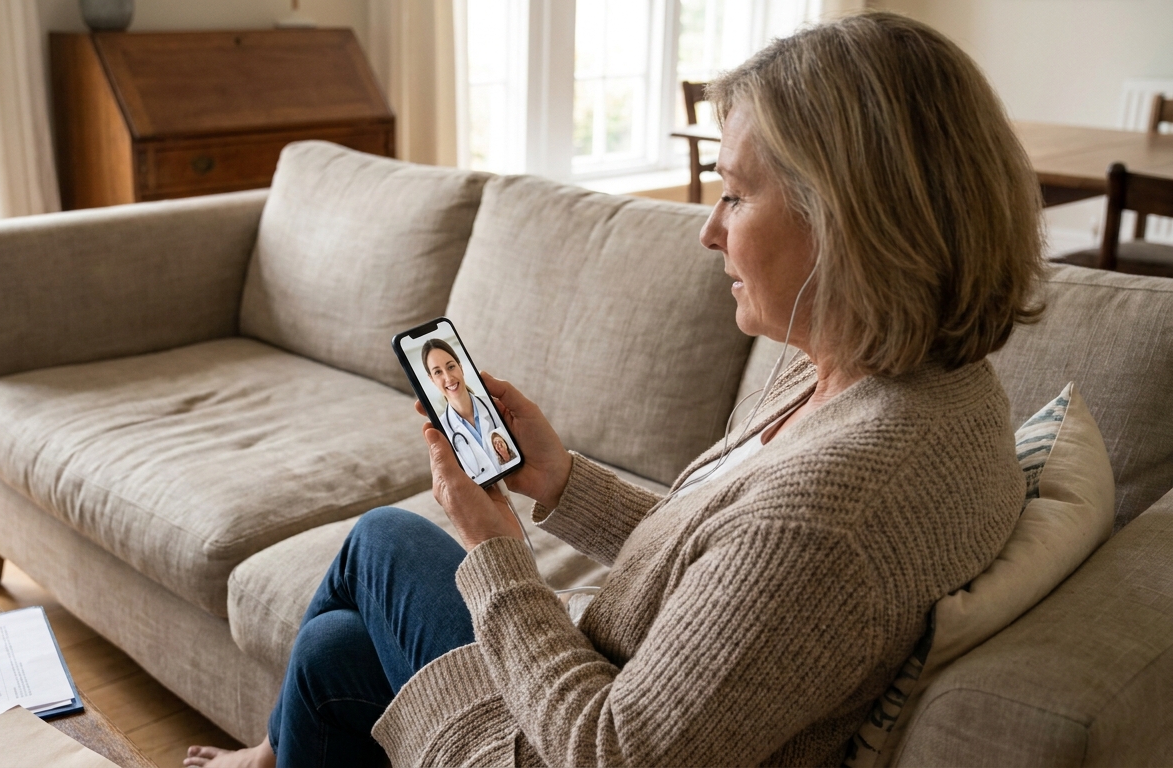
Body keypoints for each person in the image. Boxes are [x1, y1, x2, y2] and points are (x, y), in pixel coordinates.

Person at [187, 11, 1043, 768]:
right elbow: (721, 572)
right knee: (334, 653)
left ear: (849, 218)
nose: (709, 231)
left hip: (555, 739)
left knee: (382, 539)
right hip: (601, 684)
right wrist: (561, 481)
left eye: (736, 195)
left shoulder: (834, 515)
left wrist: (494, 548)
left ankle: (265, 756)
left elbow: (612, 751)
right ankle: (271, 756)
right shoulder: (900, 380)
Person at [420, 338, 502, 482]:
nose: (448, 378)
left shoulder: (495, 406)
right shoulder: (442, 430)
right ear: (432, 379)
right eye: (438, 372)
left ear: (460, 367)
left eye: (451, 367)